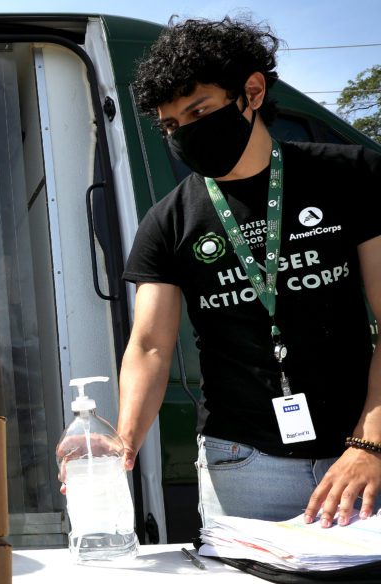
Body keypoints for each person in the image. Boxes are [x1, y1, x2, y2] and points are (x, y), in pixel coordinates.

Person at [118, 16, 381, 528]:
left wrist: (370, 442)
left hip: (362, 451)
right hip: (241, 460)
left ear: (252, 92)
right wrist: (122, 441)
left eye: (199, 110)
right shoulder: (167, 221)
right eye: (172, 124)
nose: (187, 132)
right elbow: (149, 345)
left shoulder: (353, 176)